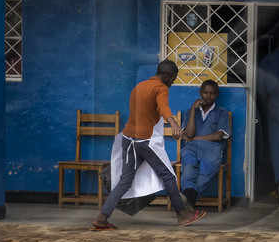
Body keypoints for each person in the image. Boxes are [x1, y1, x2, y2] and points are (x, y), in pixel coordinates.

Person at [94, 60, 205, 230]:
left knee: (125, 181)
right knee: (168, 176)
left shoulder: (139, 86)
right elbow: (163, 107)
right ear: (165, 76)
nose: (172, 83)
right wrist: (173, 124)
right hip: (144, 141)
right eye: (173, 79)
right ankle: (182, 214)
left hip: (128, 139)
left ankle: (102, 218)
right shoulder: (160, 88)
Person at [180, 78, 231, 210]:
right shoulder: (190, 112)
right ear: (200, 92)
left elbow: (218, 136)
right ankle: (188, 207)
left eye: (212, 93)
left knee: (203, 177)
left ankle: (186, 206)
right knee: (188, 171)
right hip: (191, 149)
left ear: (217, 94)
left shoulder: (222, 112)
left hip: (212, 151)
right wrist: (192, 110)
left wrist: (197, 138)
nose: (208, 96)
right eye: (205, 92)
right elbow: (189, 134)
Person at [255, 36, 279, 198]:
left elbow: (261, 89)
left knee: (277, 146)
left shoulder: (268, 60)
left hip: (275, 104)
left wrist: (266, 102)